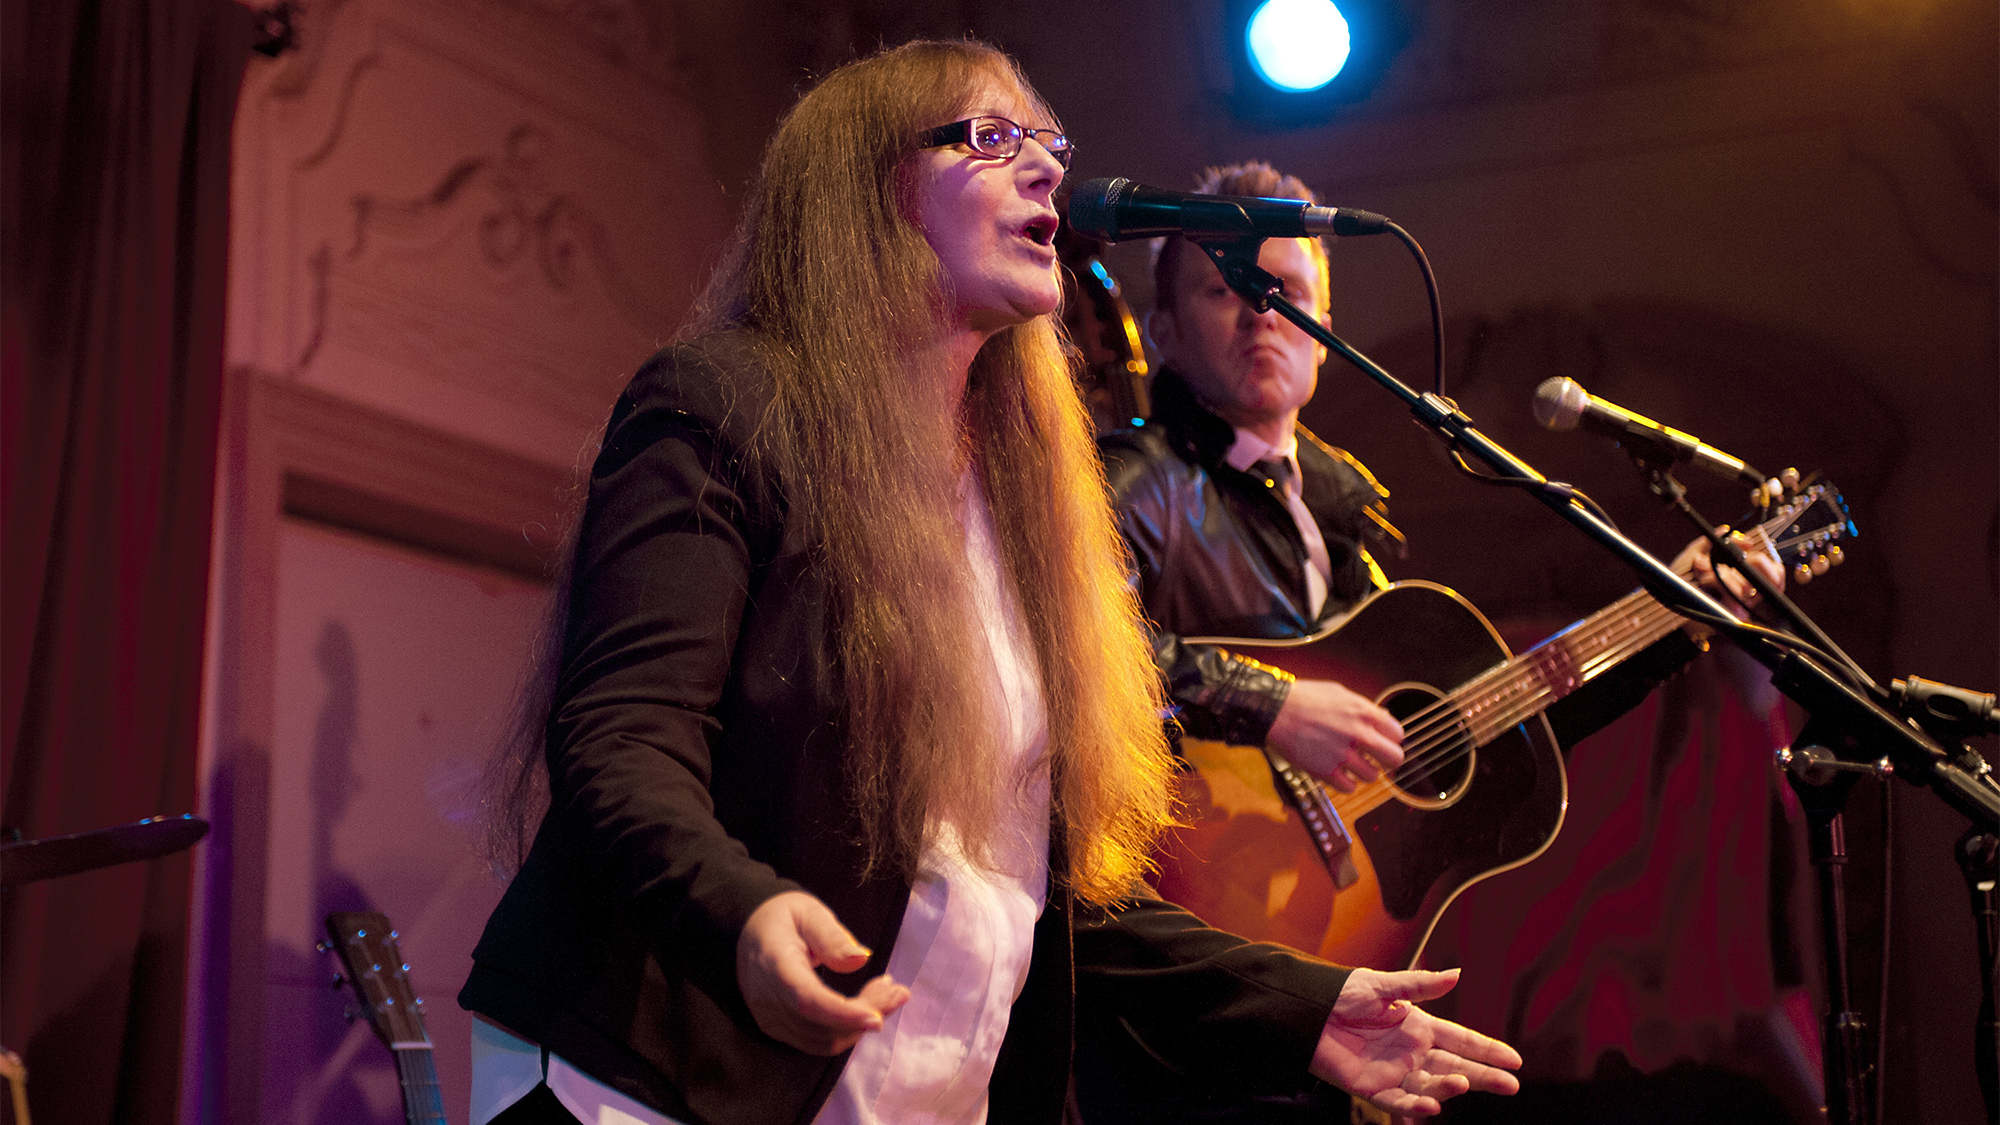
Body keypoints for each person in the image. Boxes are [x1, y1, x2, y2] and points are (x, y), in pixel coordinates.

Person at [457, 42, 1522, 1125]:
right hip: (647, 1078)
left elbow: (1030, 897)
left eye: (1049, 144)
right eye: (991, 138)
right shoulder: (722, 404)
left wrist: (1302, 1011)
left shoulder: (1027, 508)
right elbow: (623, 738)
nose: (1050, 169)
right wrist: (739, 915)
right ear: (872, 190)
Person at [1077, 162, 1779, 1122]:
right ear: (1162, 331)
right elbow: (1074, 658)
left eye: (1285, 291)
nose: (1260, 314)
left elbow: (1488, 729)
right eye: (1222, 290)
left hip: (1324, 971)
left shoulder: (1345, 506)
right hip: (1178, 953)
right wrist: (1271, 701)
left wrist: (1678, 617)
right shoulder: (1125, 483)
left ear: (1327, 329)